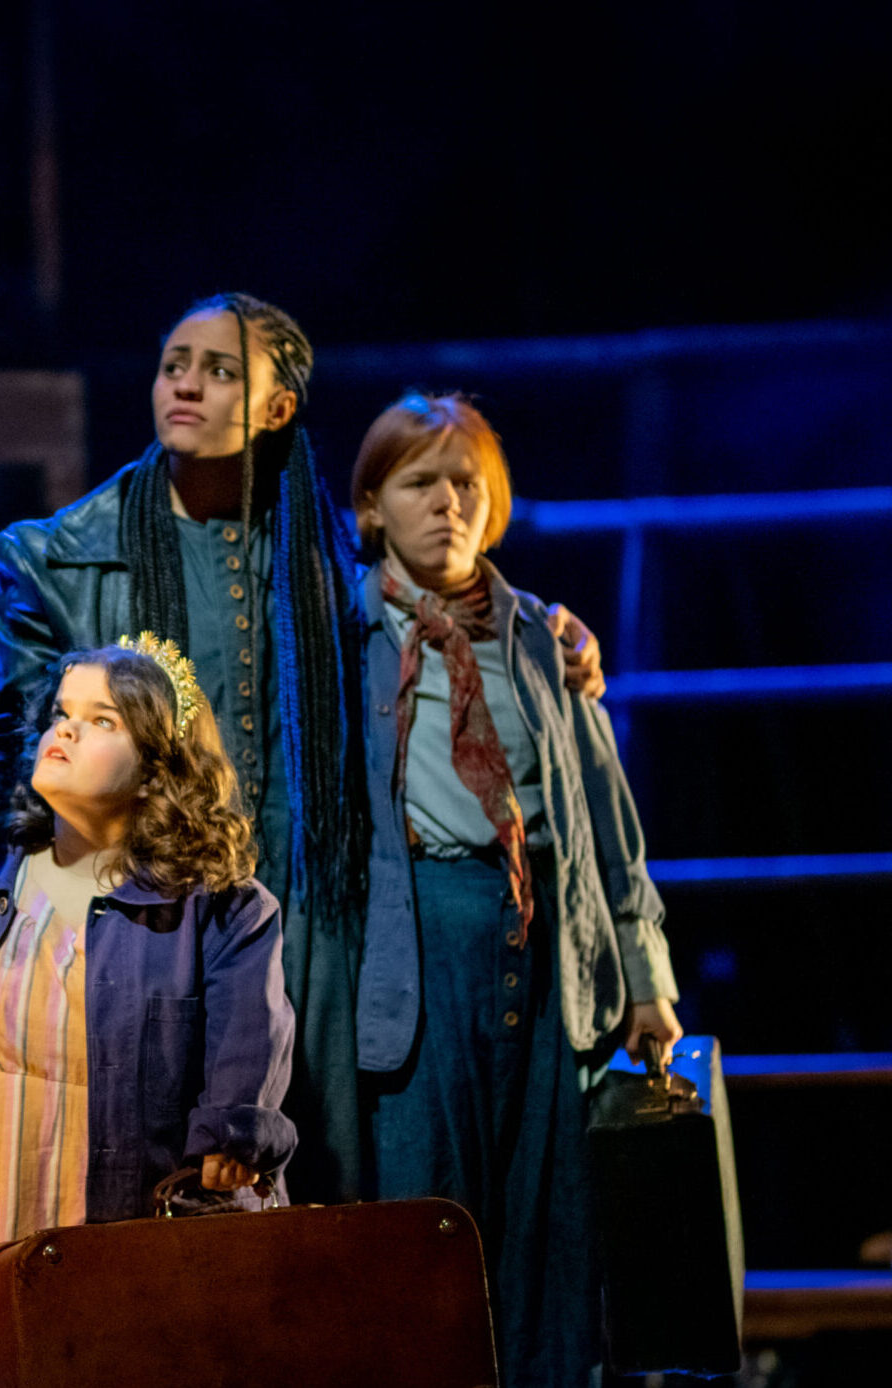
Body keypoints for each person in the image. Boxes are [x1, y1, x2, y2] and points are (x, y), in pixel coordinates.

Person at [0, 292, 605, 1203]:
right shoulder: (58, 557)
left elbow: (440, 610)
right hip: (149, 921)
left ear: (277, 407)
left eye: (221, 369)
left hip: (315, 924)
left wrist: (546, 629)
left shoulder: (319, 561)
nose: (186, 384)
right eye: (174, 365)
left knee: (330, 1206)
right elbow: (20, 759)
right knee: (166, 1202)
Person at [350, 393, 680, 1386]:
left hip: (540, 953)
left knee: (548, 1237)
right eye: (421, 482)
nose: (448, 502)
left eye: (468, 484)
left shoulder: (543, 638)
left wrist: (647, 977)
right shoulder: (337, 633)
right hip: (413, 952)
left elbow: (603, 825)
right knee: (424, 1229)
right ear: (371, 506)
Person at [0, 638, 295, 1388]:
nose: (63, 730)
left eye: (101, 720)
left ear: (160, 766)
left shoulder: (218, 908)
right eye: (62, 714)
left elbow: (247, 1047)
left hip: (121, 1210)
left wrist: (234, 1137)